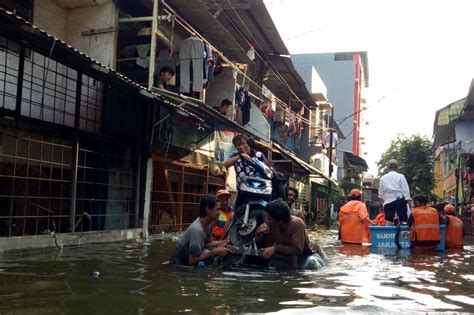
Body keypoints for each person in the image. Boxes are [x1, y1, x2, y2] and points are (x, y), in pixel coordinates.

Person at [256, 199, 320, 269]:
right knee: (272, 266)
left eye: (270, 219)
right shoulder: (270, 225)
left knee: (311, 264)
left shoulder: (297, 224)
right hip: (283, 256)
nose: (267, 221)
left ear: (279, 221)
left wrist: (275, 248)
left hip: (306, 254)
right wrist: (258, 232)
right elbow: (263, 244)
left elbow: (297, 249)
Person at [170, 195, 229, 265]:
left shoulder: (210, 223)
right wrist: (214, 252)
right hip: (179, 265)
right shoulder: (197, 230)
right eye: (218, 209)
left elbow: (206, 243)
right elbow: (192, 260)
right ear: (208, 209)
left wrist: (222, 242)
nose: (220, 212)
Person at [223, 134, 267, 209]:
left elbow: (266, 169)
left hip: (258, 191)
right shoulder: (236, 156)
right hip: (242, 193)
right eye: (237, 145)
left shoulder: (258, 154)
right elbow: (225, 164)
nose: (241, 147)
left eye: (243, 143)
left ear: (248, 143)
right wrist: (240, 156)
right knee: (237, 213)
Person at [378, 159, 412, 225]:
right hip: (399, 201)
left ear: (388, 167)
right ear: (397, 167)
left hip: (388, 202)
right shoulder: (401, 176)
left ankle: (388, 234)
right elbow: (405, 190)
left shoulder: (383, 178)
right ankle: (403, 233)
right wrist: (409, 202)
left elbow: (380, 193)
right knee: (403, 220)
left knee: (388, 221)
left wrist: (382, 204)